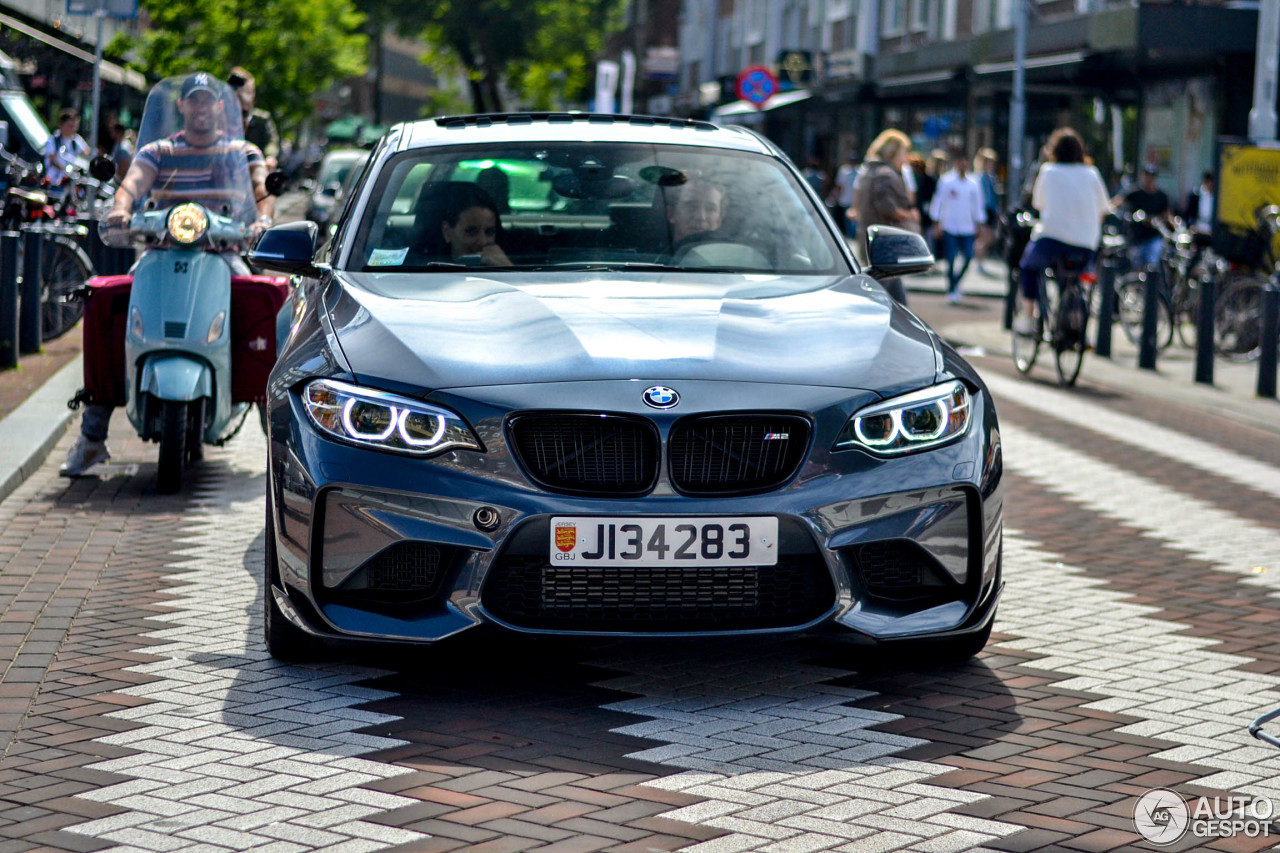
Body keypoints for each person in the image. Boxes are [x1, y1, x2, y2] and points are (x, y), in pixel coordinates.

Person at [61, 72, 275, 477]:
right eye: (192, 101)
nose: (200, 108)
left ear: (219, 107)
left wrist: (262, 218)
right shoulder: (160, 150)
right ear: (180, 107)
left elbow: (260, 189)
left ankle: (277, 445)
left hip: (222, 254)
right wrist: (121, 207)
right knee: (106, 310)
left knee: (264, 310)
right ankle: (92, 437)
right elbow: (131, 184)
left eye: (207, 101)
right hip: (159, 253)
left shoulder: (241, 150)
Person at [1013, 127, 1110, 335]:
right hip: (1086, 242)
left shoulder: (1048, 171)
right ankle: (1076, 324)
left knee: (1028, 267)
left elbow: (1038, 204)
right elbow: (1104, 209)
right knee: (1074, 279)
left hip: (1052, 238)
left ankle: (1028, 317)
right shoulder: (1092, 173)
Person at [851, 128, 919, 305]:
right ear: (893, 152)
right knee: (884, 300)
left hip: (870, 240)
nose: (906, 158)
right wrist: (910, 215)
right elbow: (887, 207)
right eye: (904, 152)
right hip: (885, 244)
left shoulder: (868, 170)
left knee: (895, 299)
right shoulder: (886, 175)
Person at [929, 149, 986, 303]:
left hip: (967, 227)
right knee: (951, 258)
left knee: (968, 256)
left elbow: (978, 205)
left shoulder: (974, 183)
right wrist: (936, 222)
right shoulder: (946, 181)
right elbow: (938, 202)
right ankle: (952, 288)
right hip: (950, 226)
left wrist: (979, 223)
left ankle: (955, 282)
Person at [1112, 164, 1171, 269]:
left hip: (1153, 236)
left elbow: (1167, 215)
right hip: (1136, 237)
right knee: (1135, 265)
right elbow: (1117, 202)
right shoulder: (1135, 193)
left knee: (1151, 263)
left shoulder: (1162, 196)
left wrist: (1155, 220)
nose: (1149, 178)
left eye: (1151, 176)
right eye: (1147, 175)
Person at [227, 67, 280, 172]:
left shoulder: (262, 119)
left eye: (248, 92)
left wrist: (270, 158)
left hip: (252, 170)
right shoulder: (221, 116)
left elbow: (271, 142)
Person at [665, 177, 725, 246]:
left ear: (719, 220)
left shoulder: (730, 255)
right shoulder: (653, 254)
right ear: (671, 214)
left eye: (710, 209)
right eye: (692, 207)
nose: (701, 217)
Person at [43, 109, 91, 190]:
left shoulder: (76, 140)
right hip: (54, 182)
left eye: (74, 126)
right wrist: (66, 170)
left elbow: (86, 153)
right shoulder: (53, 140)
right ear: (61, 125)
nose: (73, 129)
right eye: (70, 126)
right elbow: (52, 160)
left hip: (70, 183)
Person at [973, 147, 1000, 274]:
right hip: (983, 211)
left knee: (989, 238)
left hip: (991, 211)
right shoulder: (979, 178)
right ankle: (979, 262)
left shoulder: (991, 177)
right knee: (983, 238)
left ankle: (980, 260)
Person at [828, 152, 859, 240]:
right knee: (852, 220)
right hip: (851, 199)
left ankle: (850, 235)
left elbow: (839, 186)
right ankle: (851, 235)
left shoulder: (844, 171)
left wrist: (835, 196)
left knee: (849, 219)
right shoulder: (858, 171)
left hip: (847, 199)